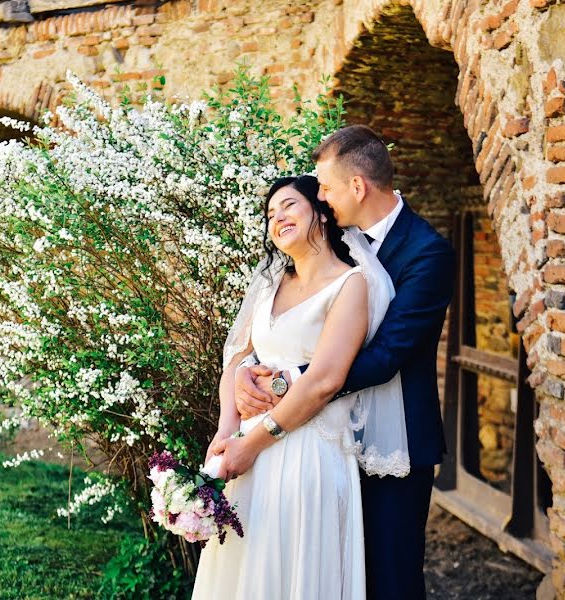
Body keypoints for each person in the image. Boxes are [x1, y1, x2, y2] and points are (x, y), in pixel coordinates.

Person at [232, 125, 455, 599]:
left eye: (327, 188)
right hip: (324, 442)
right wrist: (247, 372)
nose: (322, 197)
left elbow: (385, 355)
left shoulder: (427, 253)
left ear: (358, 187)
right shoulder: (332, 238)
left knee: (390, 580)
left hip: (395, 448)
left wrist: (287, 383)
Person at [192, 174, 406, 599]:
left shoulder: (351, 285)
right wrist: (226, 430)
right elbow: (237, 353)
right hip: (246, 453)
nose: (277, 217)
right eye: (271, 213)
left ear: (322, 215)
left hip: (308, 453)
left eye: (288, 205)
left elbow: (325, 380)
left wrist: (253, 443)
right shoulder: (271, 283)